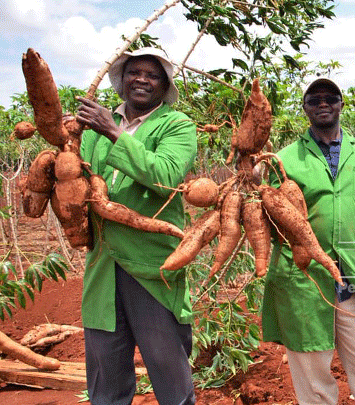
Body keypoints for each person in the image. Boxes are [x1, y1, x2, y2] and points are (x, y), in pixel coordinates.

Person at [260, 77, 355, 405]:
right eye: (314, 99)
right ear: (305, 109)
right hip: (304, 280)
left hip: (352, 277)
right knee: (312, 372)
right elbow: (268, 220)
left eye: (330, 97)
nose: (322, 103)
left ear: (342, 104)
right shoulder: (283, 158)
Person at [75, 47, 197, 405]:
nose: (142, 79)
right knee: (105, 372)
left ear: (164, 86)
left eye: (152, 75)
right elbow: (82, 178)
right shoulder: (94, 127)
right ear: (122, 80)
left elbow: (165, 175)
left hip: (151, 265)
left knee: (168, 370)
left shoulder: (176, 125)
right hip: (102, 264)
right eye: (134, 72)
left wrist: (113, 131)